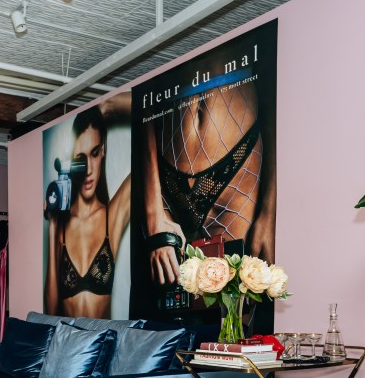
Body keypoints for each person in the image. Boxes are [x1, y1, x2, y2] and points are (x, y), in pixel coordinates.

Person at [140, 64, 276, 287]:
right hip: (165, 176)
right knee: (175, 302)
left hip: (238, 170)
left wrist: (269, 215)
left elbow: (271, 95)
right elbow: (144, 103)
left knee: (236, 303)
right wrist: (152, 216)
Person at [45, 100, 132, 319]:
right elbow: (51, 313)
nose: (89, 170)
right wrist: (53, 227)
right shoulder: (62, 226)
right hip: (69, 346)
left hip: (103, 346)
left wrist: (106, 106)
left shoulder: (112, 216)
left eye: (94, 153)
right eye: (80, 160)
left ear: (103, 150)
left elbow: (154, 135)